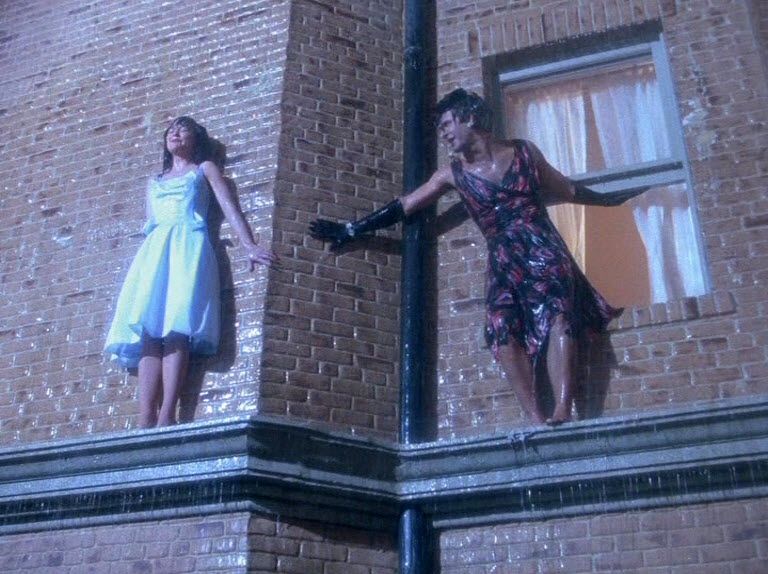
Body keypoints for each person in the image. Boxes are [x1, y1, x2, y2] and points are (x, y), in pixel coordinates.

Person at [310, 88, 641, 425]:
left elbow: (567, 190)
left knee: (559, 315)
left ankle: (562, 409)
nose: (444, 134)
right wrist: (353, 229)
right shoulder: (451, 174)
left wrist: (611, 201)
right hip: (503, 257)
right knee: (499, 328)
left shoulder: (525, 153)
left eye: (446, 124)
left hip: (542, 245)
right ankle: (536, 417)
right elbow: (406, 205)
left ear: (469, 117)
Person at [105, 116, 276, 428]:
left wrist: (249, 244)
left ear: (196, 138)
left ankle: (168, 411)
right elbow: (150, 222)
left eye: (183, 129)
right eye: (170, 130)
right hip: (156, 251)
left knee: (177, 326)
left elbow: (228, 206)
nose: (175, 133)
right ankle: (145, 413)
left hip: (189, 247)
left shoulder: (204, 169)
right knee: (149, 328)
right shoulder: (154, 180)